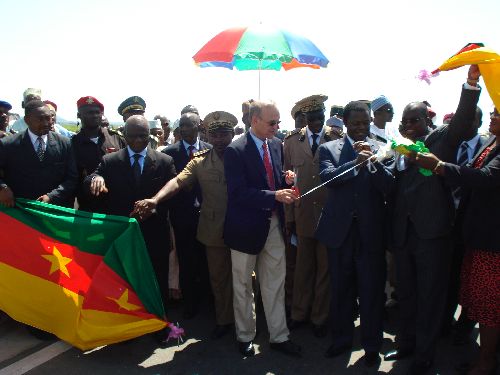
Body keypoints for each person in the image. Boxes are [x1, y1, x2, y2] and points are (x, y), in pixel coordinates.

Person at [385, 65, 482, 374]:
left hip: (432, 235)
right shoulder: (397, 148)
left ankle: (425, 355)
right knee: (408, 295)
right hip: (405, 235)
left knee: (430, 296)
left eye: (415, 120)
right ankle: (407, 344)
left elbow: (463, 121)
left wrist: (470, 86)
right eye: (405, 121)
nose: (409, 125)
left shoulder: (440, 140)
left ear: (428, 122)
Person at [132, 111, 238, 340]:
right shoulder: (200, 160)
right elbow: (177, 181)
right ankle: (224, 320)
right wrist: (156, 199)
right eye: (215, 134)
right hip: (214, 230)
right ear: (207, 134)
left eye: (224, 134)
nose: (219, 139)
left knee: (243, 278)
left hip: (242, 227)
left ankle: (246, 323)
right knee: (219, 278)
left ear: (232, 135)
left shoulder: (243, 156)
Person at [410, 107, 500, 375]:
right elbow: (468, 169)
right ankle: (483, 355)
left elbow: (486, 177)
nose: (494, 117)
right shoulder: (492, 143)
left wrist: (438, 166)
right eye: (494, 112)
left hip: (493, 239)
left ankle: (486, 361)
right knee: (478, 299)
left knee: (489, 305)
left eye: (499, 113)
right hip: (475, 234)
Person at [84, 115, 176, 344]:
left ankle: (158, 323)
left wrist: (153, 209)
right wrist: (95, 179)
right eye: (133, 136)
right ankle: (128, 325)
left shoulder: (164, 161)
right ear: (124, 135)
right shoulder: (110, 161)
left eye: (143, 136)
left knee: (157, 280)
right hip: (123, 236)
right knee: (124, 281)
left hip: (154, 233)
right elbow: (92, 178)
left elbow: (174, 195)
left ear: (150, 136)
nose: (138, 140)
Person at [316, 101, 394, 367]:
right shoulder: (328, 148)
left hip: (370, 234)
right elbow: (328, 178)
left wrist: (373, 162)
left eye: (365, 122)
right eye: (356, 123)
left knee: (371, 292)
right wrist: (355, 162)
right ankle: (341, 341)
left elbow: (389, 186)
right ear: (345, 123)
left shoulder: (382, 149)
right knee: (341, 291)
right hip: (339, 233)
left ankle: (372, 346)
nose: (361, 128)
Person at [224, 99, 301, 358]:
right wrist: (274, 195)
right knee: (243, 286)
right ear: (253, 120)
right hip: (245, 229)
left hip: (273, 225)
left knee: (275, 284)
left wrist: (285, 178)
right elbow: (237, 193)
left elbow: (272, 178)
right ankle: (245, 336)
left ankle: (279, 336)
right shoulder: (235, 150)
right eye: (272, 122)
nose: (277, 126)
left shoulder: (277, 144)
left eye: (278, 122)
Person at [284, 94, 343, 338]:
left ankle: (320, 317)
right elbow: (285, 178)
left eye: (321, 116)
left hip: (329, 214)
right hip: (303, 213)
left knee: (325, 270)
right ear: (304, 118)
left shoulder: (336, 138)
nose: (317, 122)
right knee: (302, 268)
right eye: (312, 118)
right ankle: (299, 314)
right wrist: (289, 217)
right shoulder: (290, 142)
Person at [442, 106, 489, 342]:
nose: (464, 122)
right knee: (448, 276)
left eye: (471, 119)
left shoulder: (488, 148)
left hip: (474, 226)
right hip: (444, 224)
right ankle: (444, 322)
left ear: (479, 124)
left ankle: (465, 326)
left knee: (471, 279)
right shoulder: (448, 145)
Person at [162, 111, 212, 319]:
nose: (183, 129)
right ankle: (190, 303)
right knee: (186, 259)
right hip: (182, 216)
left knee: (207, 259)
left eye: (188, 125)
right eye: (181, 126)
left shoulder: (211, 150)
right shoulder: (169, 153)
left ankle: (210, 301)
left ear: (198, 126)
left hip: (208, 215)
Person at [0, 100, 78, 209]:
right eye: (40, 119)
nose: (46, 123)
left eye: (48, 118)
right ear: (27, 120)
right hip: (21, 211)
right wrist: (3, 188)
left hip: (54, 210)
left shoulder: (65, 143)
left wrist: (51, 196)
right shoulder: (8, 144)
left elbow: (72, 178)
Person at [71, 96, 126, 212]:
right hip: (88, 207)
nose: (95, 115)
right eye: (90, 113)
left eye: (98, 112)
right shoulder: (72, 144)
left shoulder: (116, 139)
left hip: (116, 204)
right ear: (79, 115)